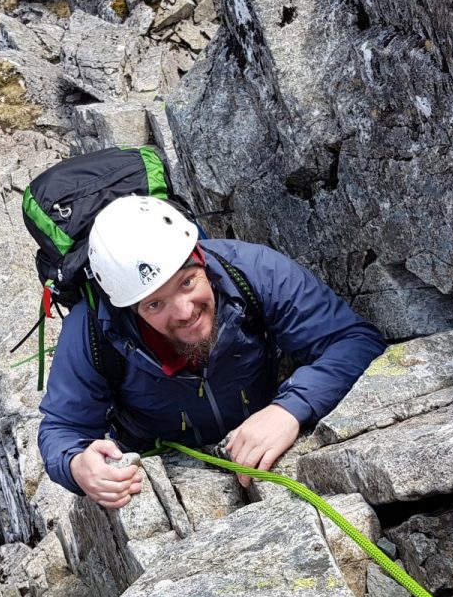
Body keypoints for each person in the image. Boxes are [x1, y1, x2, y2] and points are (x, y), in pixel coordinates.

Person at [37, 196, 386, 509]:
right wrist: (76, 465)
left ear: (201, 258)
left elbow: (354, 339)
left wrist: (289, 408)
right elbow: (62, 427)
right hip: (163, 450)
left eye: (187, 282)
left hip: (265, 420)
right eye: (155, 304)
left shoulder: (253, 271)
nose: (185, 312)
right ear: (129, 308)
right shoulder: (92, 330)